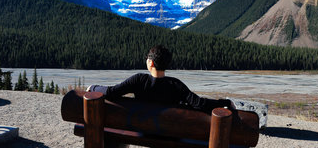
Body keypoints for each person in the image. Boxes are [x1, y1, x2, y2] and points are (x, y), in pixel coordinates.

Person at [86, 45, 233, 113]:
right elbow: (199, 103)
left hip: (143, 130)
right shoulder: (176, 85)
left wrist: (93, 88)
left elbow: (112, 92)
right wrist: (224, 102)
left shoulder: (139, 80)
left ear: (151, 62)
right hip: (168, 134)